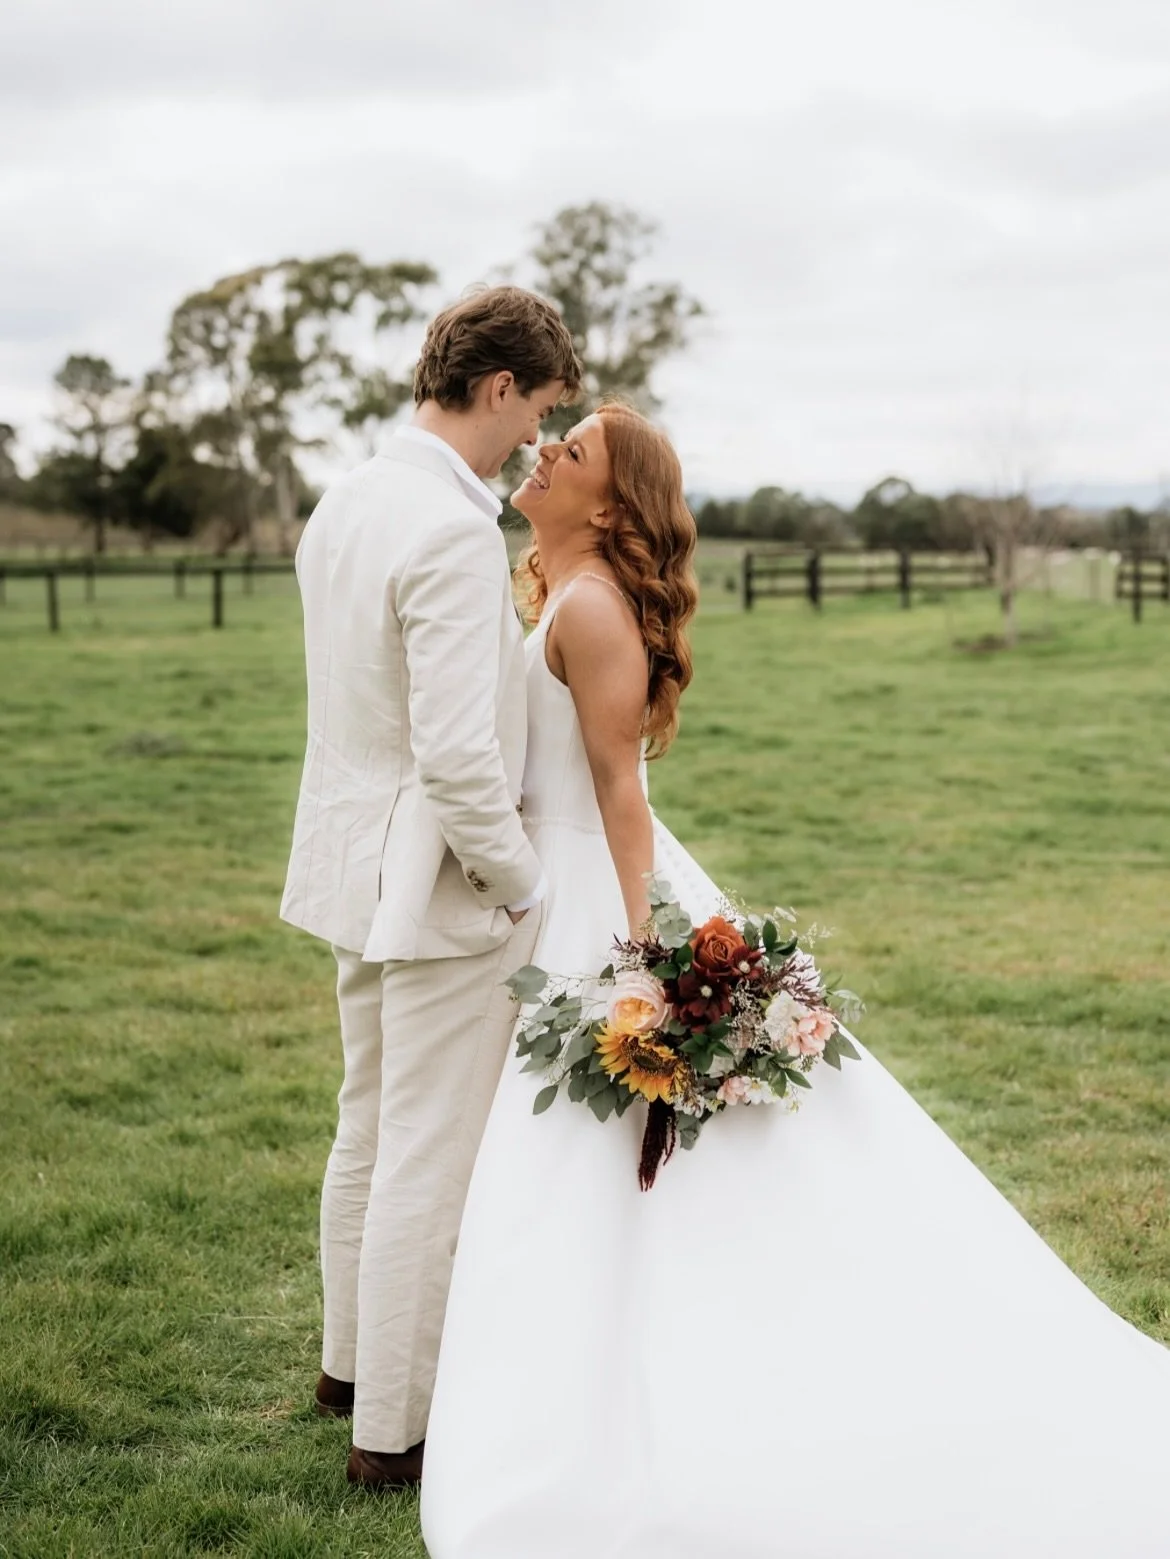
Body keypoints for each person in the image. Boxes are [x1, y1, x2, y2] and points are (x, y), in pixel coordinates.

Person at [420, 402, 1170, 1557]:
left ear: (609, 503)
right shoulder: (564, 595)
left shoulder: (592, 608)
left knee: (586, 1150)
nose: (543, 453)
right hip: (555, 891)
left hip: (593, 898)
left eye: (567, 452)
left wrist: (646, 960)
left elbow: (622, 797)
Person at [280, 285, 581, 1488]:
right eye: (537, 411)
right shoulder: (456, 532)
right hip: (443, 887)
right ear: (498, 386)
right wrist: (519, 882)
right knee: (424, 1150)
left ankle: (348, 1369)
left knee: (367, 1124)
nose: (535, 443)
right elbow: (460, 758)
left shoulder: (346, 498)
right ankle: (393, 1436)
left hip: (353, 865)